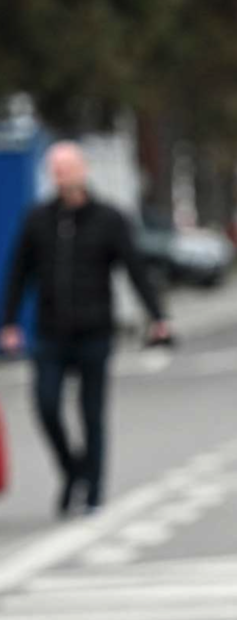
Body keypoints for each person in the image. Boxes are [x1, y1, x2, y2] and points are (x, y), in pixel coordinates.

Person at [1, 142, 171, 514]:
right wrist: (10, 322)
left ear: (83, 170)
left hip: (95, 330)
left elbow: (135, 269)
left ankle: (92, 489)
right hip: (50, 331)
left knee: (91, 413)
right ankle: (72, 470)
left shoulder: (109, 218)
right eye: (55, 169)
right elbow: (18, 273)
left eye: (67, 167)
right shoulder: (38, 219)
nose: (61, 175)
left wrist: (157, 316)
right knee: (46, 406)